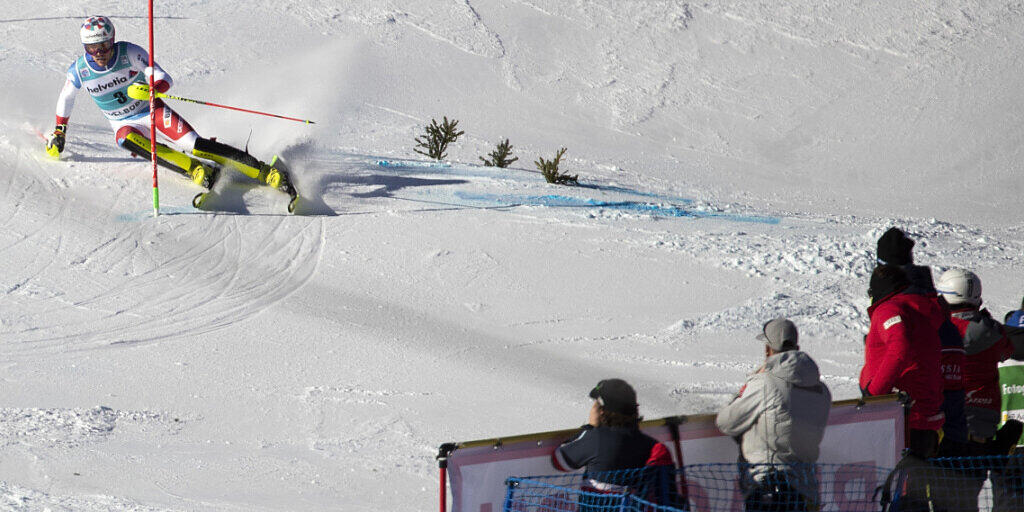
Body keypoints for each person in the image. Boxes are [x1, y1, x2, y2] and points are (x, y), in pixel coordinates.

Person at [45, 16, 295, 199]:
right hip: (123, 122)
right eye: (92, 48)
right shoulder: (80, 70)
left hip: (150, 110)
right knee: (125, 140)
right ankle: (196, 170)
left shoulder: (128, 52)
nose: (99, 53)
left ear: (112, 41)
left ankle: (265, 172)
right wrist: (60, 131)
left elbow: (163, 76)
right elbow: (66, 97)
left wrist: (154, 88)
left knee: (194, 144)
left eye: (104, 46)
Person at [716, 318, 831, 512]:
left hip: (769, 489)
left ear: (767, 350)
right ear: (797, 347)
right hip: (807, 489)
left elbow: (726, 421)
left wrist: (751, 382)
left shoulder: (766, 384)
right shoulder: (821, 390)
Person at [877, 227, 968, 457]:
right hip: (935, 418)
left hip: (908, 417)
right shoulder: (928, 302)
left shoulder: (895, 305)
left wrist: (873, 393)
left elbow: (899, 350)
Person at [552, 379, 679, 509]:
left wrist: (590, 427)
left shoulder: (596, 439)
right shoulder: (650, 445)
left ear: (602, 411)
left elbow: (559, 461)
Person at [861, 265, 946, 457]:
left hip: (900, 417)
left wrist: (873, 393)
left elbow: (899, 350)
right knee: (916, 483)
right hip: (923, 416)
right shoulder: (919, 311)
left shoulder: (889, 310)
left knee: (896, 484)